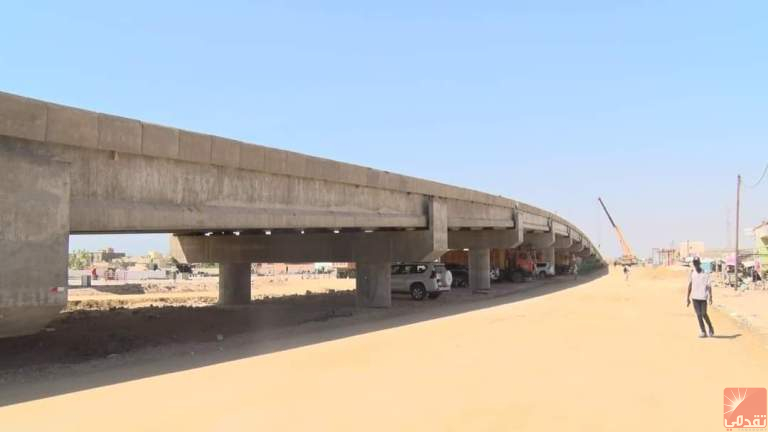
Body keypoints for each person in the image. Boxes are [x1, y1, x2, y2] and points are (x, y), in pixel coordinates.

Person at [686, 258, 714, 338]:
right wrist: (687, 297)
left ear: (699, 263)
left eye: (697, 263)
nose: (696, 265)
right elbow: (690, 285)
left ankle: (710, 327)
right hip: (695, 297)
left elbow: (709, 286)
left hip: (703, 297)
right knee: (698, 315)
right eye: (694, 263)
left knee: (704, 313)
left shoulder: (705, 273)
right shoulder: (692, 273)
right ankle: (703, 331)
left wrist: (710, 297)